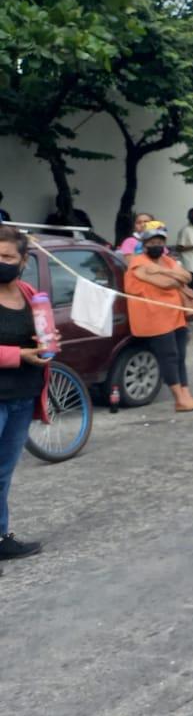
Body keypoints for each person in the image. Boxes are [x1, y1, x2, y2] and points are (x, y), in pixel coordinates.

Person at [123, 224, 193, 414]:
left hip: (175, 314)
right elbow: (167, 284)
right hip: (154, 317)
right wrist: (172, 276)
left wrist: (163, 270)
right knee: (169, 357)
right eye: (152, 242)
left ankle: (186, 396)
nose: (157, 245)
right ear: (144, 245)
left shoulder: (166, 261)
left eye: (160, 242)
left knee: (180, 356)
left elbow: (186, 277)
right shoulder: (137, 262)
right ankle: (180, 399)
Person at [0, 225, 45, 564]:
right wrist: (19, 356)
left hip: (22, 396)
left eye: (6, 257)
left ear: (24, 260)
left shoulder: (29, 293)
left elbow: (40, 334)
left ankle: (2, 537)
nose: (1, 262)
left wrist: (46, 344)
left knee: (3, 472)